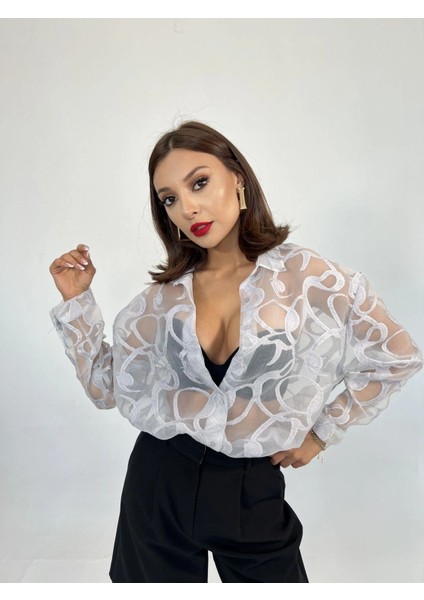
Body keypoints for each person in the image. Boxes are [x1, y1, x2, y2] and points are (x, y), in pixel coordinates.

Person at [48, 120, 423, 583]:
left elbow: (395, 356)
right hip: (158, 482)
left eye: (199, 183)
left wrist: (321, 433)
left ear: (238, 178)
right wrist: (76, 300)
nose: (188, 208)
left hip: (251, 487)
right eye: (169, 199)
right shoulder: (162, 299)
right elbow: (105, 387)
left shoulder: (309, 278)